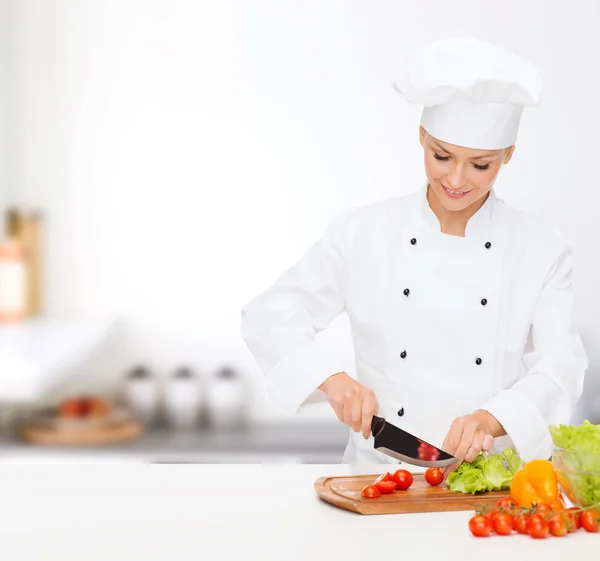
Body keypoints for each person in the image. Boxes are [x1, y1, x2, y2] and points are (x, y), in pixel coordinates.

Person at [240, 37, 588, 470]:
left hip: (485, 481)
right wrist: (331, 380)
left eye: (481, 165)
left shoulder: (541, 249)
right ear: (421, 136)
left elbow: (562, 366)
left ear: (508, 154)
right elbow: (271, 314)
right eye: (442, 156)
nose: (457, 179)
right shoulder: (362, 233)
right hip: (379, 476)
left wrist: (494, 417)